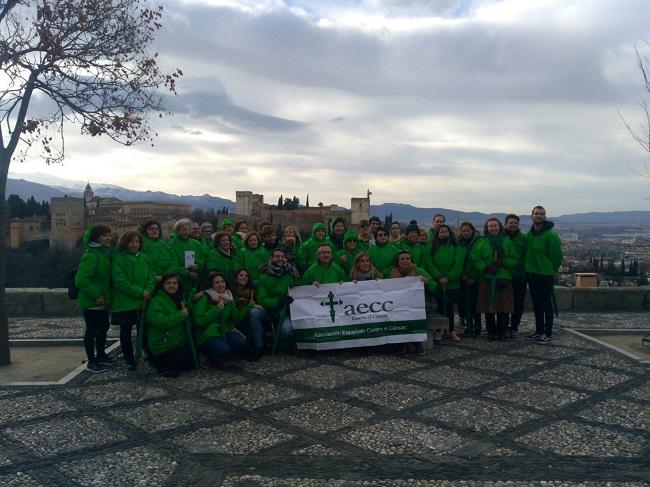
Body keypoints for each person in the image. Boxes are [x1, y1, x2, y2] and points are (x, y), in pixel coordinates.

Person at [111, 230, 155, 370]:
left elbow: (151, 277)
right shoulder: (119, 259)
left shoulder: (145, 258)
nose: (134, 244)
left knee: (145, 330)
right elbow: (120, 281)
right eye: (131, 242)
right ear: (125, 243)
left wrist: (148, 291)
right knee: (126, 332)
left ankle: (148, 354)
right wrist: (141, 292)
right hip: (126, 303)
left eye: (136, 241)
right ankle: (129, 358)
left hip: (143, 301)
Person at [76, 225, 113, 373]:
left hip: (102, 301)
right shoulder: (90, 255)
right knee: (91, 331)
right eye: (105, 235)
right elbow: (81, 280)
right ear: (96, 238)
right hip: (92, 301)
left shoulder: (103, 253)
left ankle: (102, 356)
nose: (109, 238)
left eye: (109, 235)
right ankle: (91, 361)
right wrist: (96, 295)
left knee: (103, 328)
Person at [471, 218, 516, 341]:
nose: (493, 228)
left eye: (495, 225)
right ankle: (491, 331)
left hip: (504, 278)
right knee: (488, 307)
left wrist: (503, 262)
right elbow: (475, 258)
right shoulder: (482, 242)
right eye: (490, 226)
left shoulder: (507, 242)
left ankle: (502, 331)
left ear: (499, 227)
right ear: (487, 228)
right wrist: (485, 268)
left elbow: (514, 258)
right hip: (487, 278)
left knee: (504, 307)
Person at [191, 271, 250, 365]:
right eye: (217, 282)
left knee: (241, 344)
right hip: (208, 333)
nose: (220, 284)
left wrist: (249, 306)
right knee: (224, 349)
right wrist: (217, 309)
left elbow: (236, 318)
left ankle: (221, 355)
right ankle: (205, 355)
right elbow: (199, 320)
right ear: (211, 285)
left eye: (222, 282)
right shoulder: (204, 298)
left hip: (225, 330)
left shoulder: (228, 298)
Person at [524, 206, 563, 344]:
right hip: (532, 273)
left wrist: (551, 270)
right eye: (536, 213)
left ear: (545, 216)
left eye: (541, 214)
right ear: (532, 216)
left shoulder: (550, 235)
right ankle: (539, 330)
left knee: (547, 304)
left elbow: (557, 256)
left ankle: (548, 333)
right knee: (537, 304)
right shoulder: (529, 234)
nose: (539, 216)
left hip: (545, 274)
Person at [388, 251, 436, 355]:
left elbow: (433, 285)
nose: (405, 261)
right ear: (398, 261)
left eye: (407, 259)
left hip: (422, 302)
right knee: (402, 313)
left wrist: (427, 282)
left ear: (411, 260)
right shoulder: (392, 272)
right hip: (400, 304)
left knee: (410, 314)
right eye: (402, 259)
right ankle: (413, 343)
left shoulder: (418, 270)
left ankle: (411, 343)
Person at [146, 273, 195, 377]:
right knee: (178, 364)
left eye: (174, 283)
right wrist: (181, 315)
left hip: (177, 342)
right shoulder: (156, 301)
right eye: (168, 283)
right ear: (162, 285)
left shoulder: (180, 298)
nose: (171, 285)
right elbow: (161, 323)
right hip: (164, 344)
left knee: (193, 362)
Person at [424, 224, 463, 342]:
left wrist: (448, 277)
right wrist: (438, 276)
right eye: (441, 232)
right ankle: (439, 330)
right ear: (438, 234)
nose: (444, 233)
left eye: (446, 231)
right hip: (437, 282)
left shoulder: (456, 247)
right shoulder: (432, 246)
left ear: (450, 233)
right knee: (439, 306)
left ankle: (451, 330)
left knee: (450, 307)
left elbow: (458, 264)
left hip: (451, 282)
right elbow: (428, 262)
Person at [254, 248, 300, 344]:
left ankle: (282, 341)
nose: (280, 259)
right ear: (271, 258)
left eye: (283, 256)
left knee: (286, 330)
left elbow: (300, 289)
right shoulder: (263, 277)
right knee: (254, 313)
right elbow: (262, 299)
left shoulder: (292, 273)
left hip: (287, 311)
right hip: (271, 310)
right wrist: (278, 301)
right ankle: (258, 345)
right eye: (277, 256)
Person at [229, 268, 264, 359]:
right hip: (235, 322)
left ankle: (258, 346)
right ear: (235, 278)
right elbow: (237, 315)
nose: (245, 277)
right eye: (241, 275)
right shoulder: (230, 293)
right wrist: (251, 306)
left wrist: (252, 306)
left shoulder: (252, 289)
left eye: (246, 276)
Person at [167, 218, 206, 299]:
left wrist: (198, 266)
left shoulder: (196, 243)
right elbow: (172, 263)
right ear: (177, 230)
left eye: (189, 229)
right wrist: (187, 273)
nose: (187, 232)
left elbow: (204, 259)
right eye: (184, 230)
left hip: (194, 281)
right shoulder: (172, 244)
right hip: (178, 281)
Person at [458, 221, 482, 336]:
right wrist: (462, 275)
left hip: (475, 278)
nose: (466, 233)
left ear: (472, 230)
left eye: (468, 230)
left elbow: (480, 260)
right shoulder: (459, 243)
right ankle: (469, 326)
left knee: (475, 305)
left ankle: (477, 327)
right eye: (463, 231)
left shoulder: (479, 242)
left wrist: (474, 277)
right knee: (465, 304)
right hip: (463, 278)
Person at [504, 214, 527, 338]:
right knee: (504, 303)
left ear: (518, 225)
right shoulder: (501, 237)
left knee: (518, 304)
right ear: (506, 224)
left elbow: (527, 255)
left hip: (519, 276)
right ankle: (503, 326)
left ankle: (514, 327)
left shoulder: (523, 238)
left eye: (515, 223)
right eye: (511, 222)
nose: (513, 225)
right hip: (504, 276)